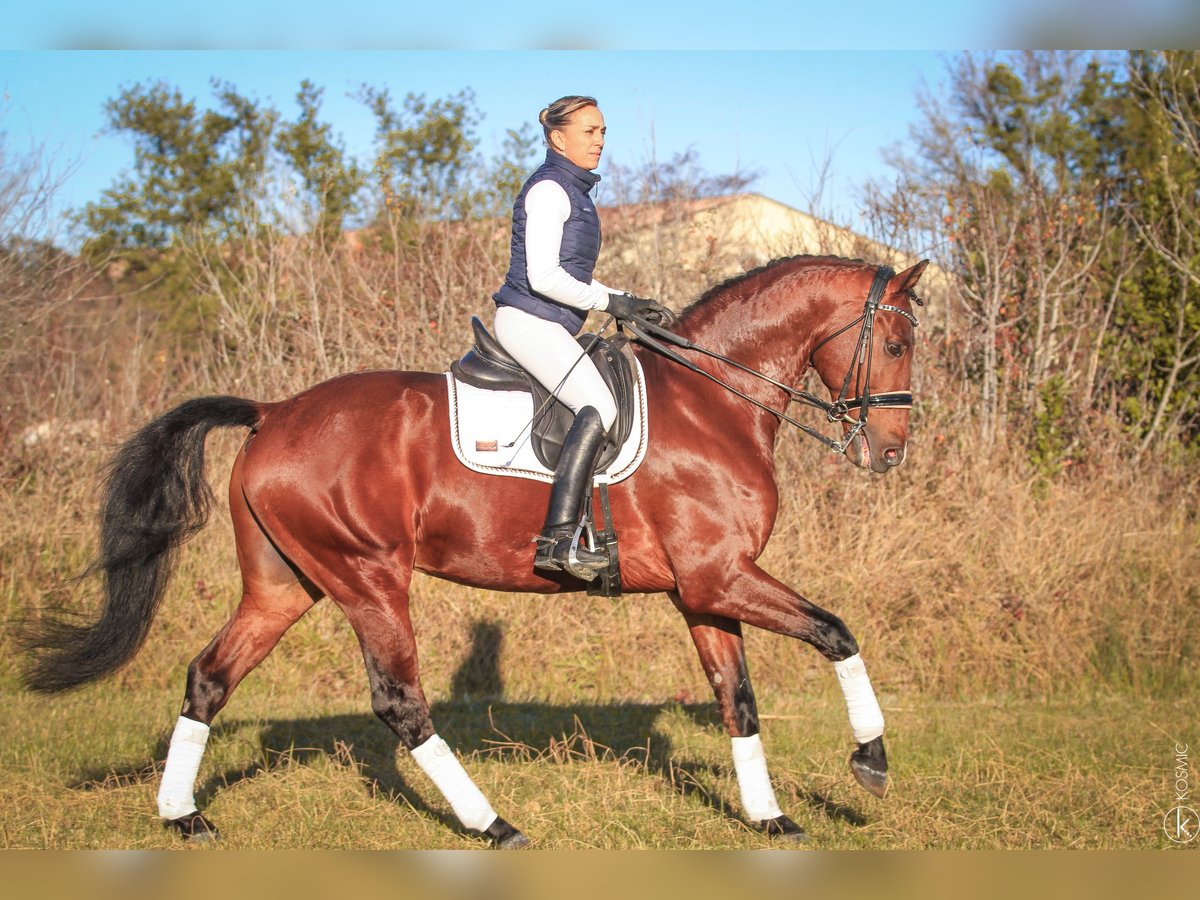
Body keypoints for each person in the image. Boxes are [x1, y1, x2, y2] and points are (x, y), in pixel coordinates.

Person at [492, 95, 674, 580]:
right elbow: (545, 277)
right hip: (528, 319)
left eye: (602, 132)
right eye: (589, 131)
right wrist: (612, 301)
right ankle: (557, 541)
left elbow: (569, 276)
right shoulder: (550, 190)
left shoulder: (575, 193)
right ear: (558, 138)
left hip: (549, 322)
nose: (599, 141)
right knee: (601, 405)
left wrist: (627, 300)